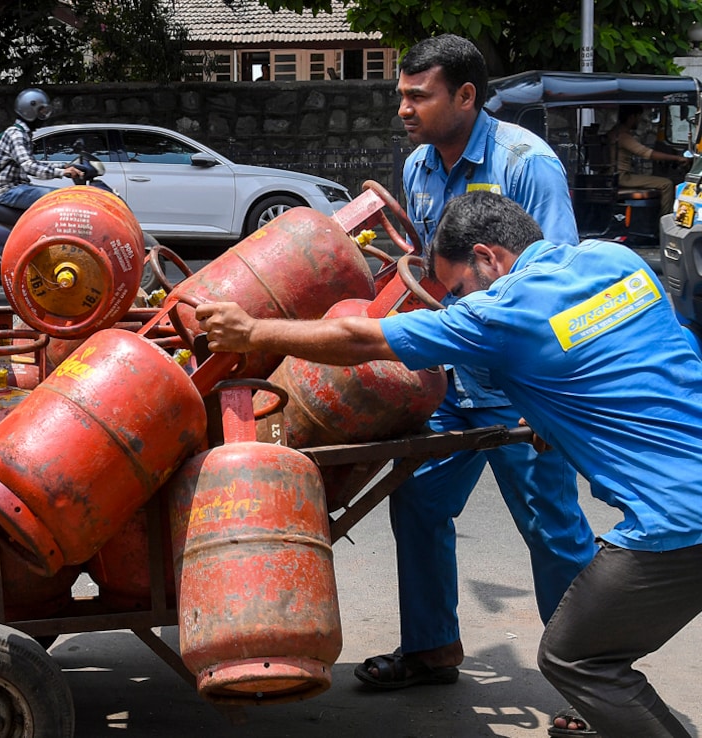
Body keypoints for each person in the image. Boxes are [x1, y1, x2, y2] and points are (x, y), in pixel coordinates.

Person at [195, 190, 702, 738]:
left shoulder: (501, 312)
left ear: (488, 257)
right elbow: (637, 359)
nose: (457, 303)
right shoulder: (617, 260)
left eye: (457, 290)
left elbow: (357, 336)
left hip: (678, 522)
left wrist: (251, 332)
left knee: (576, 658)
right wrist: (556, 419)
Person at [350, 32, 598, 727]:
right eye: (400, 94)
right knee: (419, 506)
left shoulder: (528, 164)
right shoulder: (421, 167)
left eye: (416, 95)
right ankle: (433, 648)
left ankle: (589, 682)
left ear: (464, 95)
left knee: (555, 535)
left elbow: (558, 285)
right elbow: (433, 275)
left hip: (523, 387)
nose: (403, 107)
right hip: (448, 384)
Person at [0, 88, 81, 209]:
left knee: (62, 195)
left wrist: (63, 166)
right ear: (29, 111)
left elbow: (34, 163)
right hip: (7, 191)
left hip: (19, 188)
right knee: (60, 200)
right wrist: (62, 172)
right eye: (41, 112)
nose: (43, 116)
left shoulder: (24, 133)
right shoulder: (16, 134)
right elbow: (29, 166)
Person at [606, 104, 689, 216]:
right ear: (632, 117)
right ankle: (664, 220)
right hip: (622, 177)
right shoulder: (622, 136)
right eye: (639, 117)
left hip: (615, 175)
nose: (639, 121)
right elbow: (647, 153)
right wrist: (677, 158)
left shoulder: (615, 132)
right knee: (667, 184)